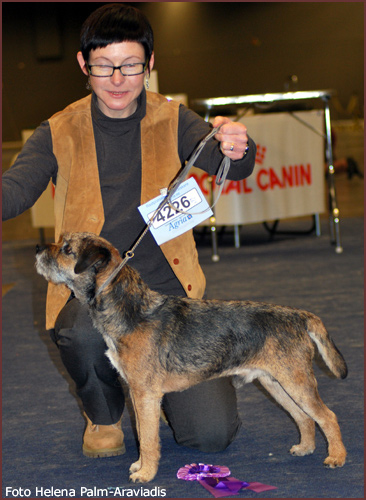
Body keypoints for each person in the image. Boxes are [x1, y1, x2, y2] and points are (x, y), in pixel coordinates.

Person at [3, 3, 256, 458]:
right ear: (84, 64)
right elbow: (15, 192)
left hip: (171, 300)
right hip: (92, 295)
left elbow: (231, 166)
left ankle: (151, 389)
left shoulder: (175, 119)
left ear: (151, 63)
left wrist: (238, 145)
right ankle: (103, 415)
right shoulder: (58, 130)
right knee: (81, 333)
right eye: (103, 66)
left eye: (131, 65)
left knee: (211, 436)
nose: (117, 79)